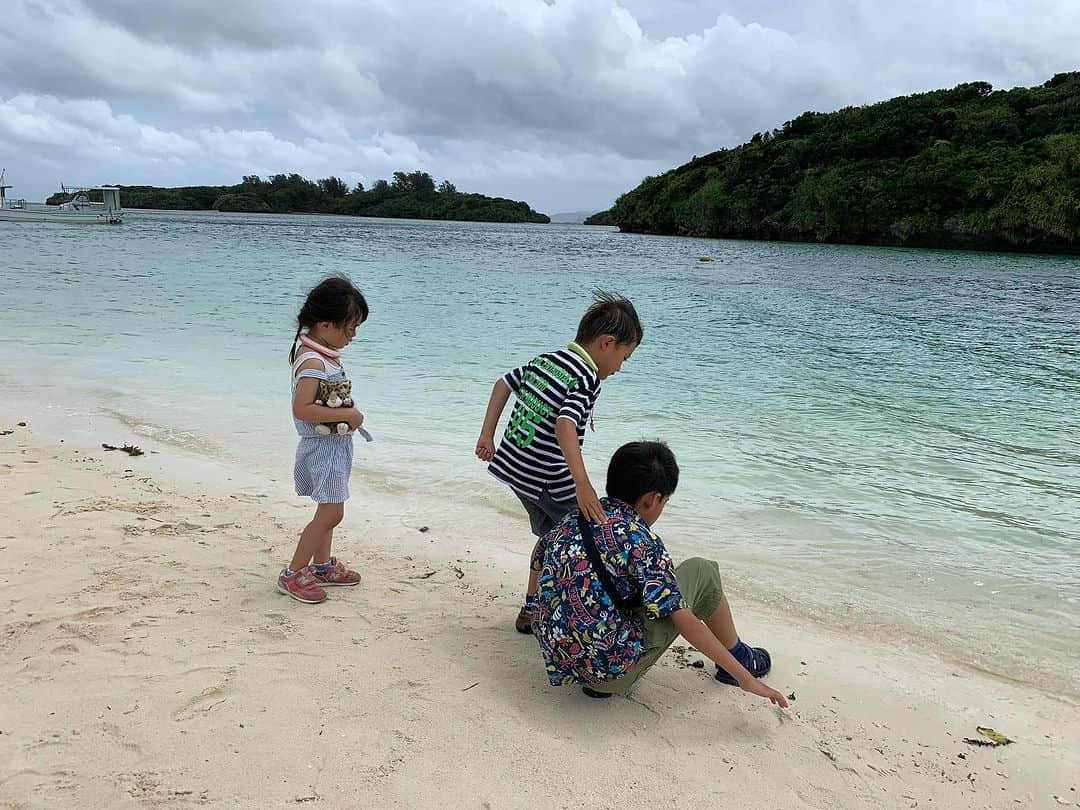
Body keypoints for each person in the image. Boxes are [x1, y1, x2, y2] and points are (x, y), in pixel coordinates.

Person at [530, 440, 788, 707]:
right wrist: (747, 679)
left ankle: (596, 671)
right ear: (653, 499)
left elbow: (539, 552)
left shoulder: (573, 518)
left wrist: (530, 606)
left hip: (559, 657)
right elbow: (685, 622)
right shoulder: (642, 541)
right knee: (704, 570)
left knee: (625, 586)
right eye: (664, 501)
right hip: (608, 673)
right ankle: (739, 658)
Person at [475, 291, 642, 632]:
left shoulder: (548, 359)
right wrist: (582, 484)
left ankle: (531, 609)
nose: (620, 368)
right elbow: (565, 424)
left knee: (552, 538)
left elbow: (502, 383)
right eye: (625, 358)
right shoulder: (585, 378)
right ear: (608, 344)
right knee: (595, 539)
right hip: (549, 481)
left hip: (515, 472)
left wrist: (486, 436)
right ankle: (584, 616)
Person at [277, 276, 369, 604]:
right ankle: (294, 572)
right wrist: (349, 416)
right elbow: (302, 408)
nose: (353, 336)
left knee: (328, 506)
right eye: (349, 328)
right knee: (332, 513)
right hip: (323, 448)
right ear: (326, 324)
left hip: (332, 446)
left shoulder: (319, 352)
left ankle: (322, 566)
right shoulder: (314, 362)